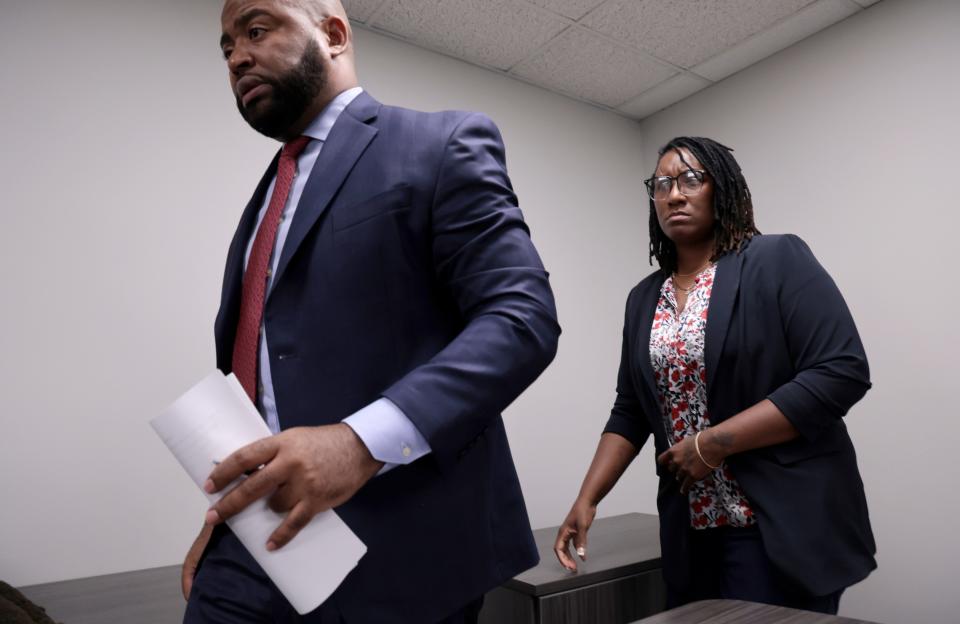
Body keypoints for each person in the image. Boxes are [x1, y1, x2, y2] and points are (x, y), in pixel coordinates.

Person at [180, 1, 561, 622]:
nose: (237, 56)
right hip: (252, 551)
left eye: (255, 30)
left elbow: (522, 318)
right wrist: (231, 517)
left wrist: (358, 444)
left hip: (404, 551)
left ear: (332, 34)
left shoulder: (442, 142)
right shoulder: (262, 204)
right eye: (226, 47)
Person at [554, 137, 875, 614]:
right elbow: (631, 409)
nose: (674, 194)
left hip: (776, 525)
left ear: (722, 188)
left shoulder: (775, 260)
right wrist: (588, 498)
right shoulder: (644, 298)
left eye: (690, 178)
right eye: (662, 184)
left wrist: (714, 444)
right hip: (693, 530)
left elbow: (840, 370)